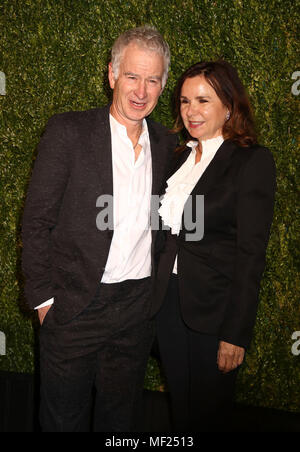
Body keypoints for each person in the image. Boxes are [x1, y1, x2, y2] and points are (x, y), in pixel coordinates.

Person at [21, 25, 177, 432]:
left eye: (152, 80)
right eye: (131, 76)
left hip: (136, 310)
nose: (140, 91)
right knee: (62, 421)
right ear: (111, 75)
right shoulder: (68, 132)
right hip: (75, 307)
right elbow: (37, 219)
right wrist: (43, 300)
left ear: (163, 84)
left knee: (120, 422)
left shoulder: (166, 144)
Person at [151, 60, 276, 432]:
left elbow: (251, 256)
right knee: (180, 413)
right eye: (186, 101)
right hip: (167, 305)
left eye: (203, 101)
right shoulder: (177, 158)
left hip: (214, 313)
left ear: (229, 105)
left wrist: (234, 334)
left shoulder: (251, 161)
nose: (192, 111)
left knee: (209, 418)